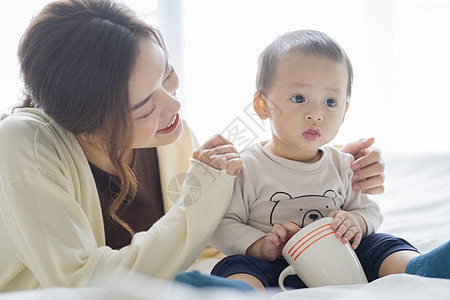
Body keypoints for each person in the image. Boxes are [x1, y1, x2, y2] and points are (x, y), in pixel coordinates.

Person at [0, 0, 386, 292]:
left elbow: (211, 235)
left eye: (167, 75)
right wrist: (200, 199)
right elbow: (85, 282)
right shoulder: (24, 146)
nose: (173, 105)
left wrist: (321, 171)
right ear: (89, 126)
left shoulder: (171, 136)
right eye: (146, 104)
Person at [210, 30, 450, 290]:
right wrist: (260, 245)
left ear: (344, 112)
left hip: (341, 258)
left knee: (381, 244)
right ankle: (239, 291)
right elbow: (223, 225)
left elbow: (370, 212)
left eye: (330, 102)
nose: (316, 113)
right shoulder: (248, 166)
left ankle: (418, 267)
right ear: (262, 105)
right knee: (235, 265)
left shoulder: (341, 164)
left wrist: (355, 222)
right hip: (275, 262)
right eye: (299, 98)